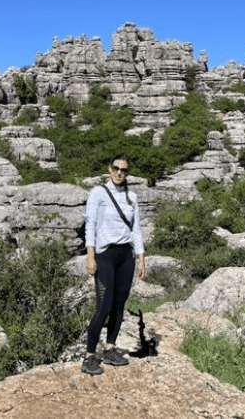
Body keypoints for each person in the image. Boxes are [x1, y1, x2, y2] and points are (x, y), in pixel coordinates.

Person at [81, 154, 145, 375]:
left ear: (128, 172)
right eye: (116, 168)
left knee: (119, 304)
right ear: (109, 169)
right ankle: (90, 355)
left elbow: (135, 228)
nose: (120, 173)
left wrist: (141, 256)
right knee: (103, 306)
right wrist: (90, 256)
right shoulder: (98, 193)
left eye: (124, 170)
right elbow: (90, 225)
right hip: (105, 255)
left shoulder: (132, 196)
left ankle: (110, 348)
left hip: (126, 255)